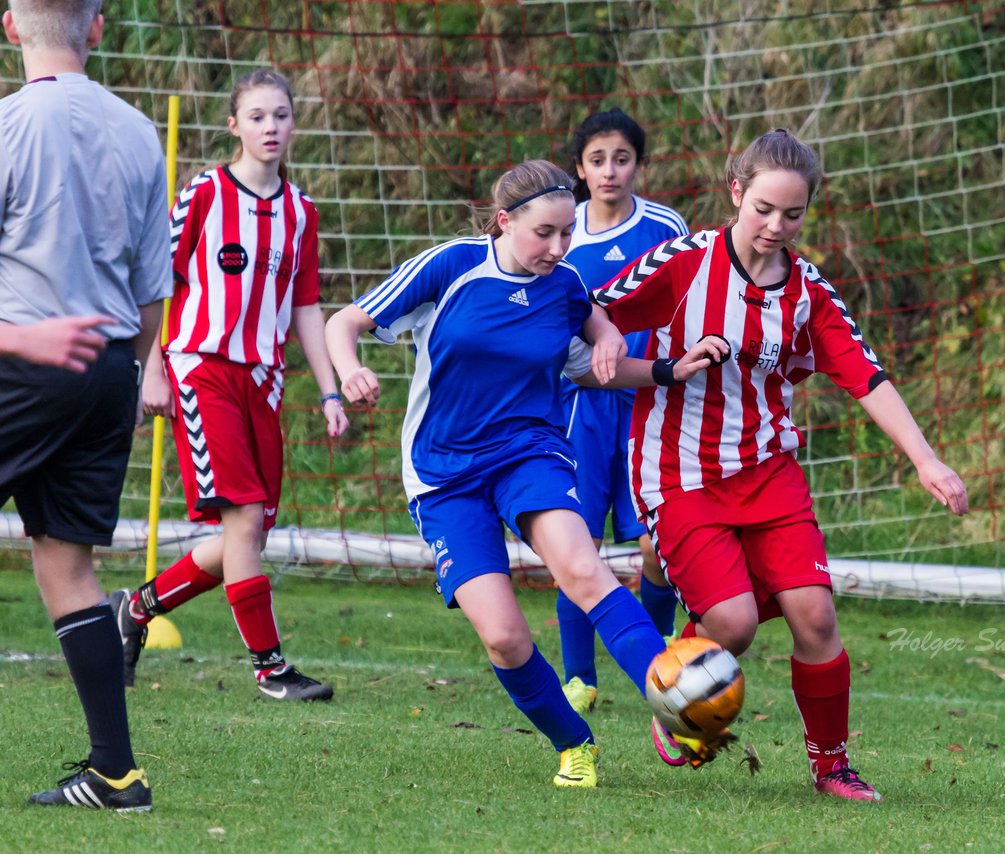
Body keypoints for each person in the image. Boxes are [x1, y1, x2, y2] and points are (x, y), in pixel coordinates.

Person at [594, 129, 970, 802]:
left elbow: (866, 376)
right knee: (733, 625)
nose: (775, 225)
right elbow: (596, 316)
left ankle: (833, 768)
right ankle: (682, 695)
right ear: (736, 192)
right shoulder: (684, 263)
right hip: (681, 476)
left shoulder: (809, 293)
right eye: (763, 208)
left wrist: (926, 459)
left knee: (816, 617)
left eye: (792, 214)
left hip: (769, 473)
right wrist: (627, 361)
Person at [325, 160, 726, 789]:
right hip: (444, 473)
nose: (559, 248)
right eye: (545, 233)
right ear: (505, 221)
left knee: (583, 568)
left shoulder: (564, 286)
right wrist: (348, 369)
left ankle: (678, 705)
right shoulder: (451, 267)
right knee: (506, 638)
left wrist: (668, 370)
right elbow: (342, 322)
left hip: (528, 452)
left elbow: (593, 366)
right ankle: (575, 742)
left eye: (568, 233)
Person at [110, 69, 348, 703]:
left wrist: (329, 392)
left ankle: (133, 611)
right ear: (234, 125)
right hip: (200, 366)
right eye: (258, 116)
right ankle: (271, 670)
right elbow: (156, 277)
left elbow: (305, 307)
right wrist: (152, 366)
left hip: (263, 382)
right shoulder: (206, 194)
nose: (272, 127)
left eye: (282, 116)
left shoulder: (301, 214)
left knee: (248, 535)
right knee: (242, 519)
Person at [0, 0, 168, 811]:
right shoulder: (139, 133)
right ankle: (115, 774)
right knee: (65, 561)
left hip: (25, 360)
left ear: (9, 29)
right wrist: (130, 377)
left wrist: (25, 344)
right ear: (96, 28)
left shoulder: (7, 126)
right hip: (108, 369)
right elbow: (151, 292)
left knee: (65, 561)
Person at [554, 109, 688, 738]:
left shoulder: (667, 229)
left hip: (649, 404)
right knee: (573, 541)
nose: (610, 170)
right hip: (579, 409)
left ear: (639, 162)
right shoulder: (560, 235)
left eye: (622, 158)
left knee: (658, 545)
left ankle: (654, 641)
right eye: (597, 160)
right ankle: (578, 680)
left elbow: (687, 306)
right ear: (579, 169)